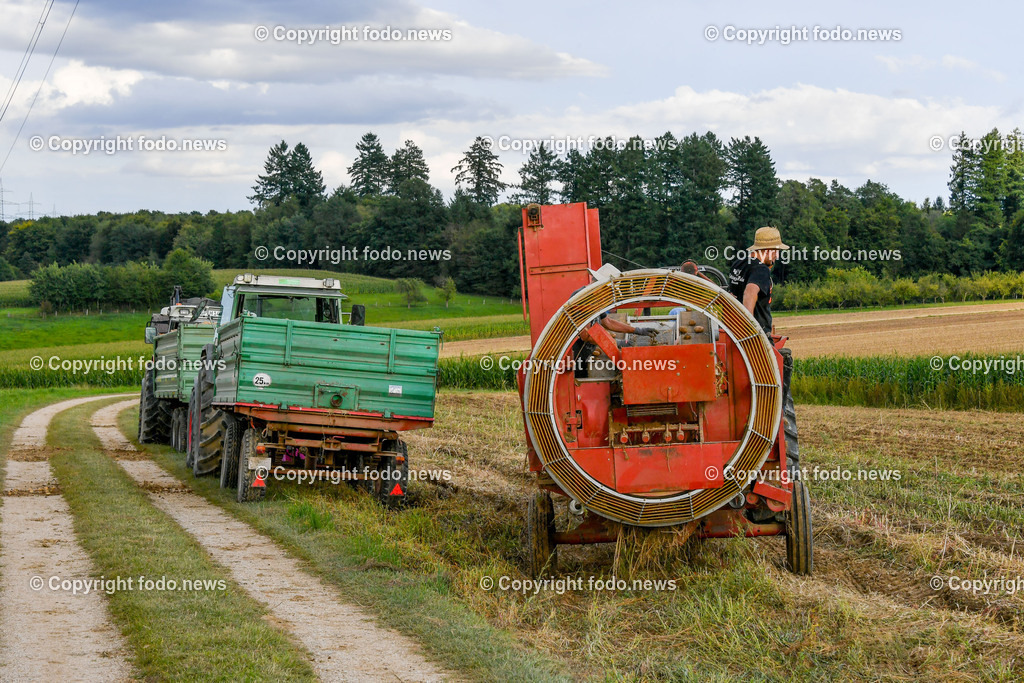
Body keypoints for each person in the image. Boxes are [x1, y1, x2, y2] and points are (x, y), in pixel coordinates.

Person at [727, 227, 800, 474]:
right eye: (776, 252)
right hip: (755, 338)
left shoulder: (740, 263)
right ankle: (775, 417)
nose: (777, 256)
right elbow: (749, 293)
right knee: (781, 370)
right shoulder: (760, 270)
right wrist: (749, 331)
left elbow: (731, 293)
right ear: (766, 250)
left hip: (734, 335)